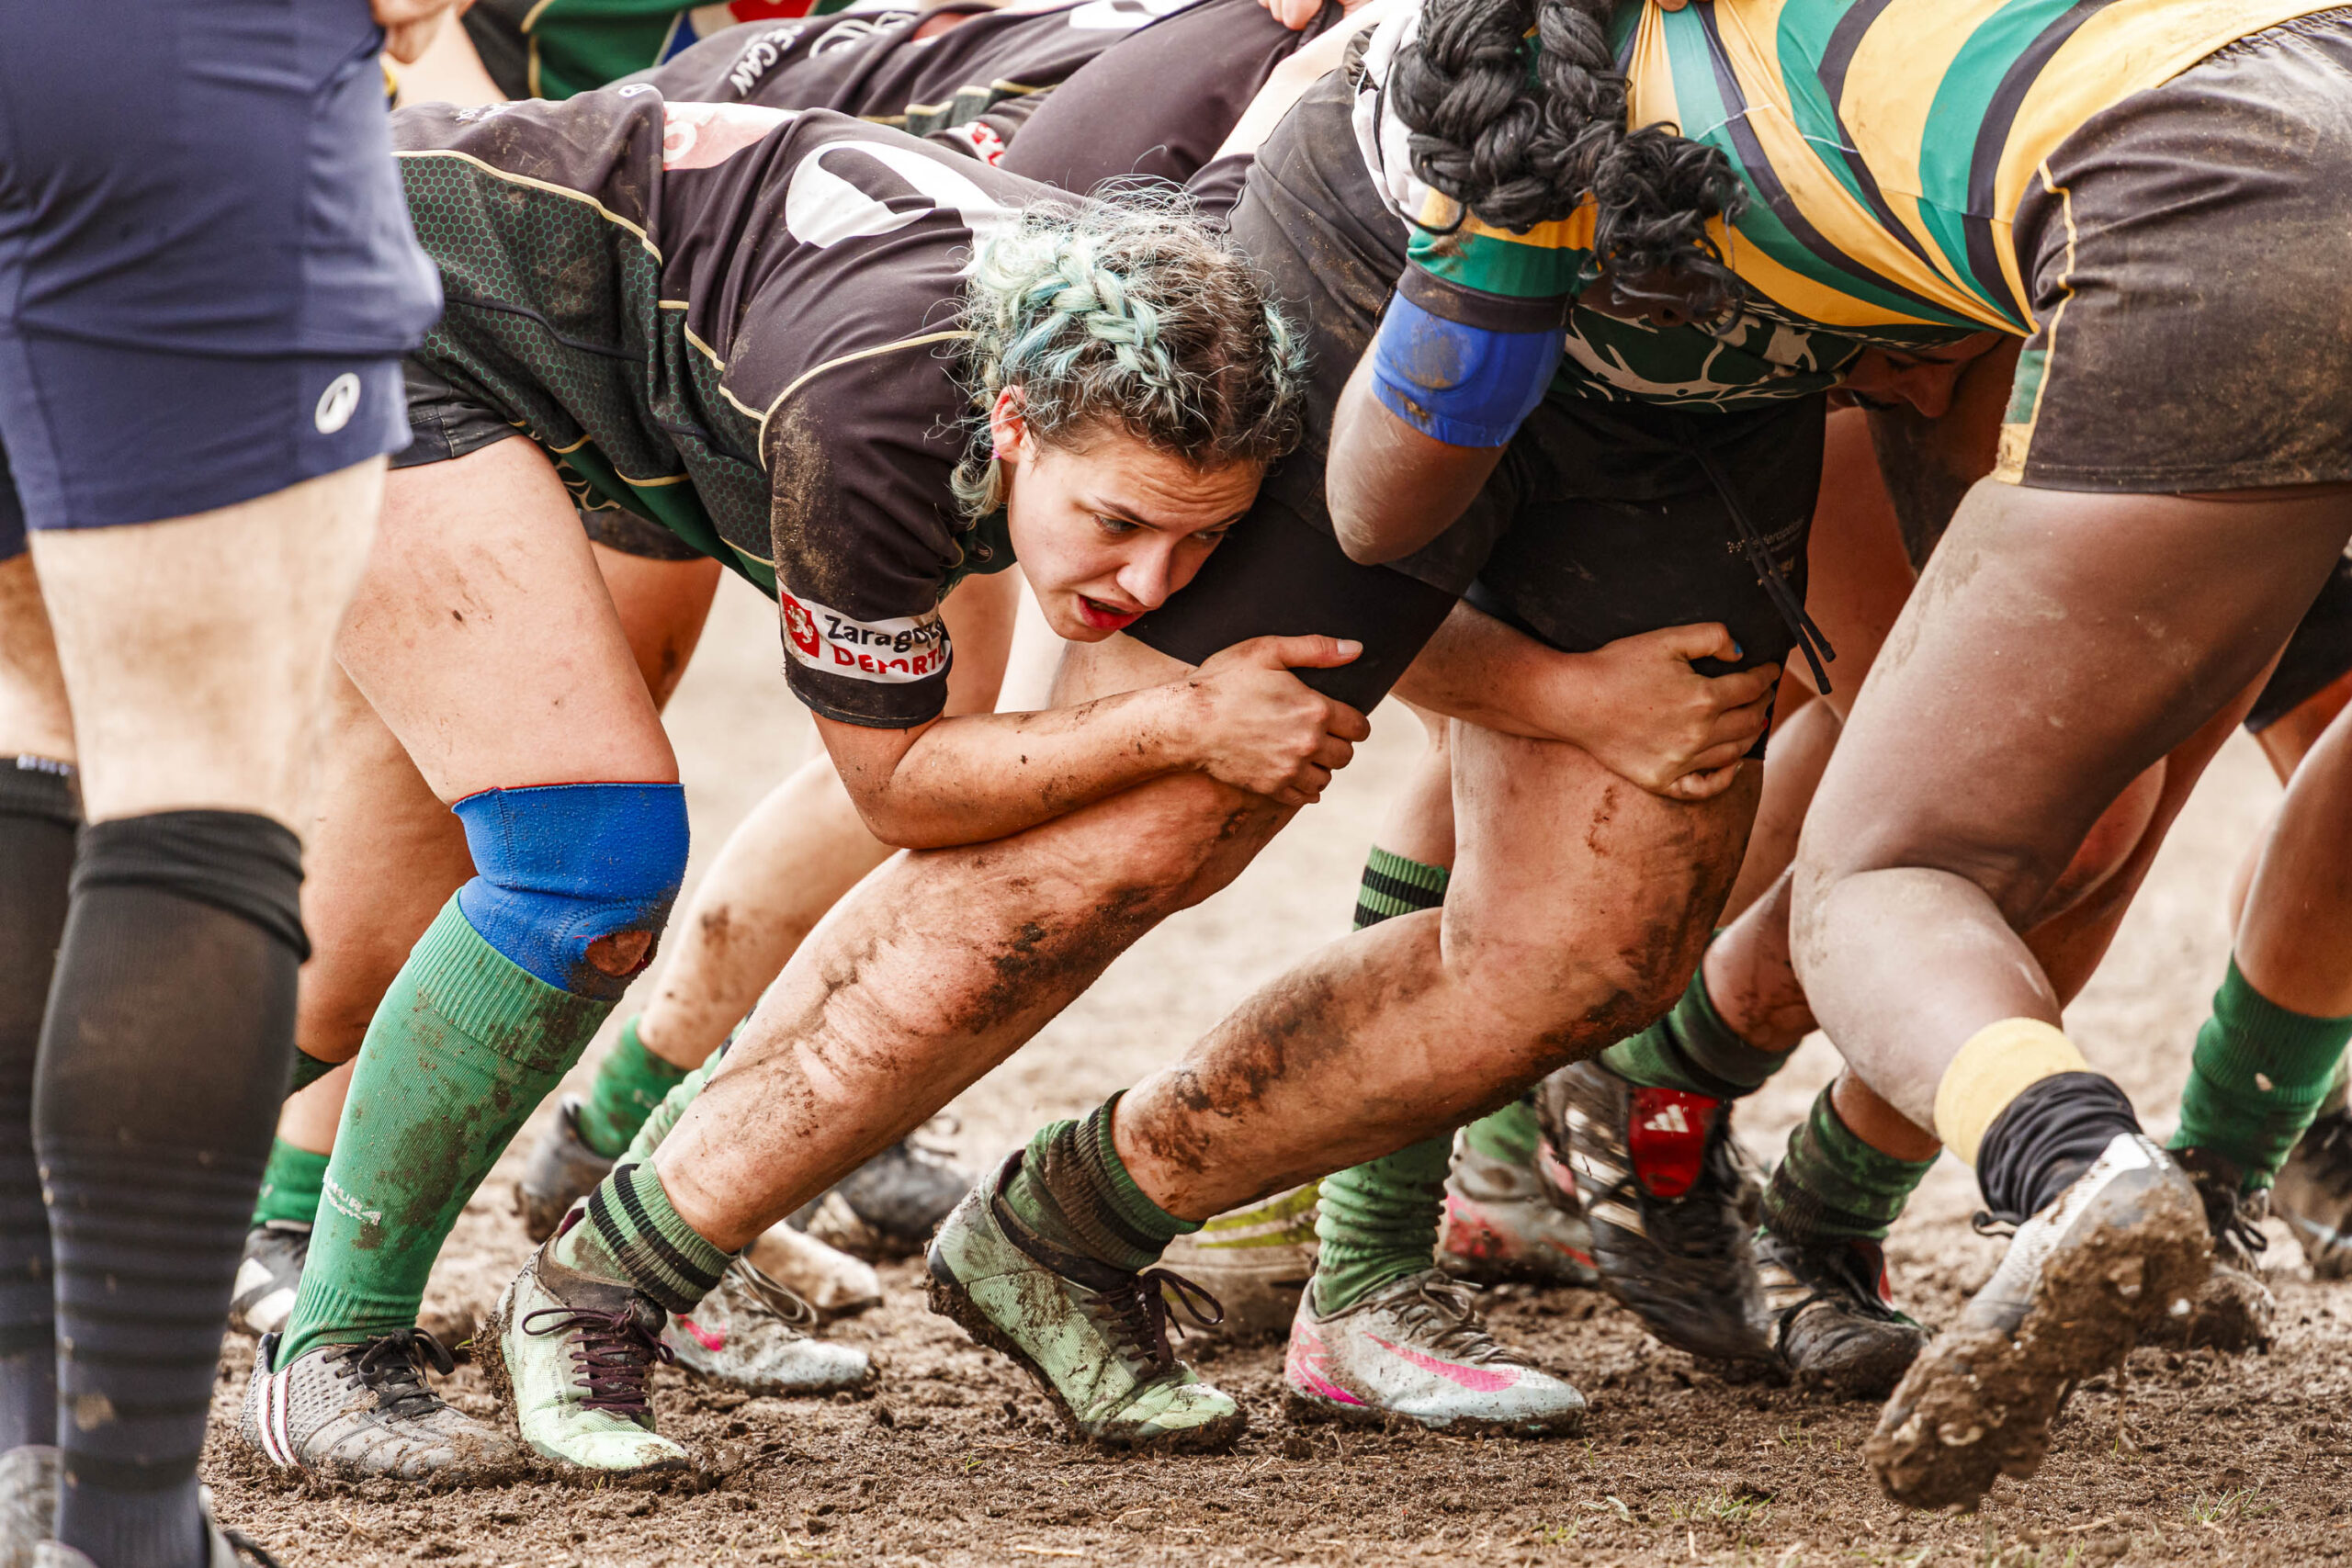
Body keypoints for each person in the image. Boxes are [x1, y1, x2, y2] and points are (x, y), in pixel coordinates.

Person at [901, 0, 2351, 1483]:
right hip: (1443, 241)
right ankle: (676, 1238)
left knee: (1711, 916)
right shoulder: (1524, 85)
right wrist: (1553, 689)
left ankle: (1129, 1219)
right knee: (1170, 809)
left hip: (1826, 306)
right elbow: (1384, 514)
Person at [230, 0, 1352, 1359]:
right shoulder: (882, 417)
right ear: (1014, 423)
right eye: (1119, 526)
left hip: (621, 327)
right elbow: (898, 790)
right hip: (404, 301)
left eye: (1201, 541)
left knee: (357, 955)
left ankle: (101, 1210)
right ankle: (337, 1341)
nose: (1151, 587)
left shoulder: (1200, 251)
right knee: (585, 849)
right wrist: (1185, 717)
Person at [0, 3, 462, 1564]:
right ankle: (125, 1534)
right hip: (154, 64)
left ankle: (21, 1448)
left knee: (28, 708)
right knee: (199, 779)